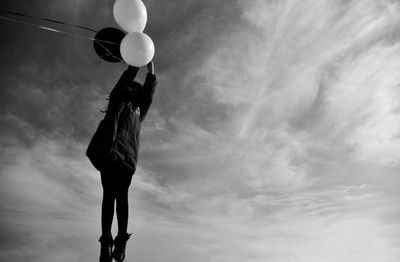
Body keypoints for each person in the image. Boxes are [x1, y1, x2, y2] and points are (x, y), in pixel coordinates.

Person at [91, 61, 157, 262]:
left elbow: (148, 93)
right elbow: (124, 81)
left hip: (128, 156)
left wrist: (151, 67)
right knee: (108, 195)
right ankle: (106, 241)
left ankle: (120, 239)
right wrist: (136, 64)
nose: (132, 91)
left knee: (122, 196)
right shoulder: (116, 102)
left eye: (135, 90)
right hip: (110, 152)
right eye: (130, 88)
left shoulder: (139, 111)